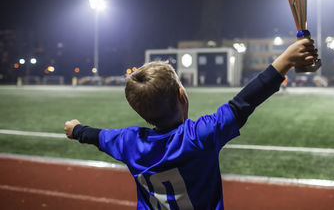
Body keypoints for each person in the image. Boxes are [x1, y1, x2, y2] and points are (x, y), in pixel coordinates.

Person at [64, 38, 318, 209]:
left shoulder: (129, 142)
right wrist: (285, 60)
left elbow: (96, 136)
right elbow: (245, 102)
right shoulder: (199, 137)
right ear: (182, 96)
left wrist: (76, 129)